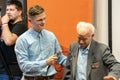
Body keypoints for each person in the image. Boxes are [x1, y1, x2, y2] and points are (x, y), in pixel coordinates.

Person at [14, 5, 66, 80]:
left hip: (50, 78)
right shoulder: (22, 40)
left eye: (44, 18)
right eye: (40, 20)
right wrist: (45, 62)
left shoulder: (51, 36)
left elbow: (60, 58)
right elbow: (24, 66)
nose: (43, 22)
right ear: (30, 21)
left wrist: (74, 63)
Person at [0, 0, 28, 80]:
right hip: (2, 70)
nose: (8, 12)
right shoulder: (7, 25)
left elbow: (9, 41)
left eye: (11, 10)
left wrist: (4, 24)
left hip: (13, 72)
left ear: (19, 12)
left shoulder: (21, 26)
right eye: (7, 10)